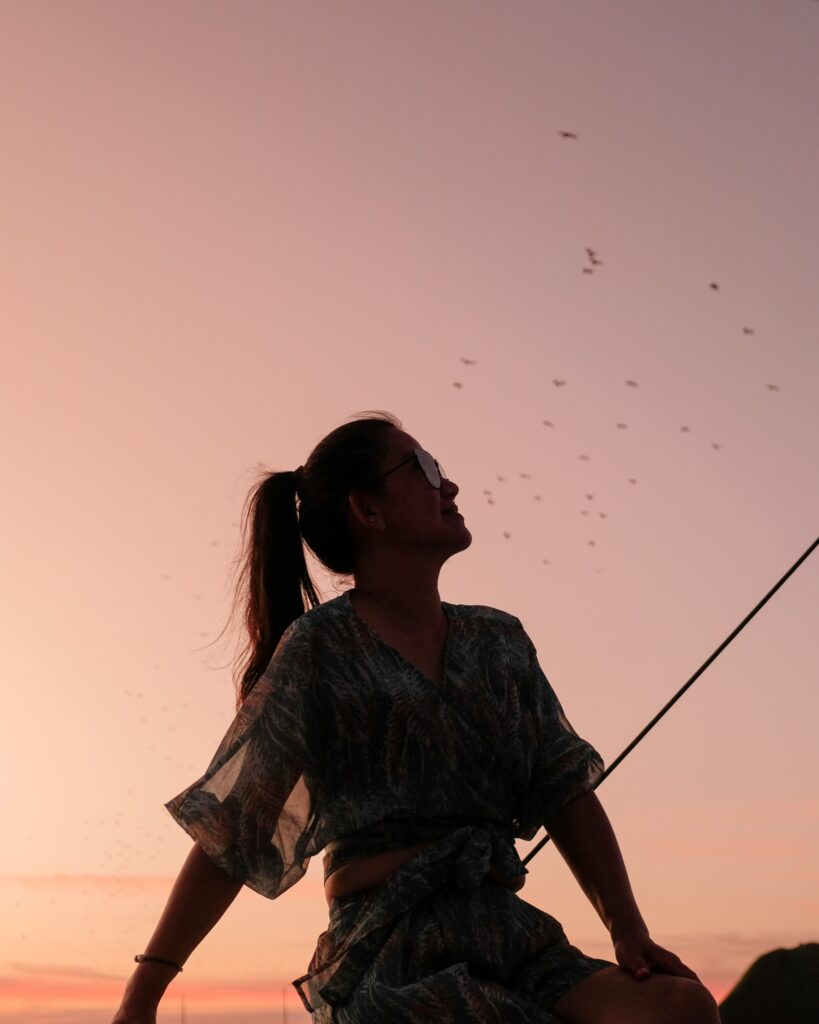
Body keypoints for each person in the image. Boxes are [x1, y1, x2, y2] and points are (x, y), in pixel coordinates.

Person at [111, 410, 721, 1023]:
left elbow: (564, 790)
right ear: (367, 509)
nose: (448, 485)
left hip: (511, 935)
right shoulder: (320, 649)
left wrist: (627, 930)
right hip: (387, 948)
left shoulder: (499, 642)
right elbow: (233, 833)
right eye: (423, 468)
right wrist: (144, 994)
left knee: (682, 1006)